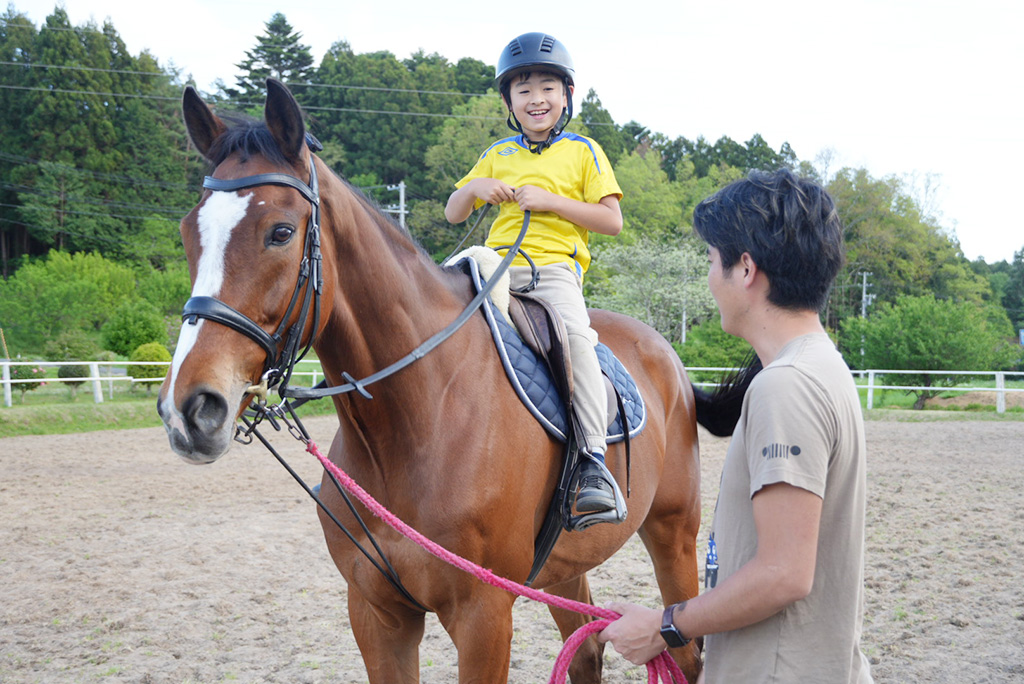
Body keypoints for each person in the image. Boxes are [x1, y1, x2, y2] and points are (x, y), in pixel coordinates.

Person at [597, 169, 874, 682]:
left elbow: (783, 574)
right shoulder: (821, 365)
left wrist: (664, 625)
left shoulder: (786, 386)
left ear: (745, 268)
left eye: (711, 261)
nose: (709, 279)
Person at [445, 32, 625, 519]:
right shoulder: (498, 153)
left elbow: (612, 221)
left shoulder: (584, 151)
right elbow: (453, 213)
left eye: (547, 87)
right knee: (438, 310)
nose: (536, 98)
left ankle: (592, 461)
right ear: (509, 101)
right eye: (523, 90)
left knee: (576, 343)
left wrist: (552, 203)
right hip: (493, 262)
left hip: (552, 271)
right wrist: (477, 186)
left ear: (565, 95)